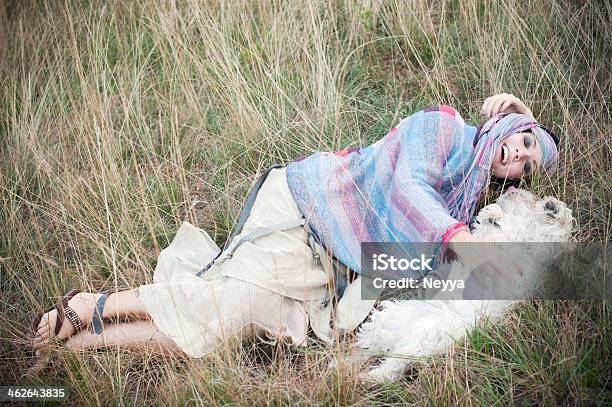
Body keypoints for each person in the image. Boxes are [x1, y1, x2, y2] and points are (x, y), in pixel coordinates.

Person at [30, 93, 560, 359]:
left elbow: (404, 260)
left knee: (229, 332)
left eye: (527, 164)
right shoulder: (444, 126)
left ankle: (85, 344)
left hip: (330, 269)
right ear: (513, 124)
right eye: (526, 141)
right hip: (305, 210)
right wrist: (457, 240)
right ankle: (88, 307)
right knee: (223, 305)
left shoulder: (464, 206)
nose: (518, 155)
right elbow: (406, 190)